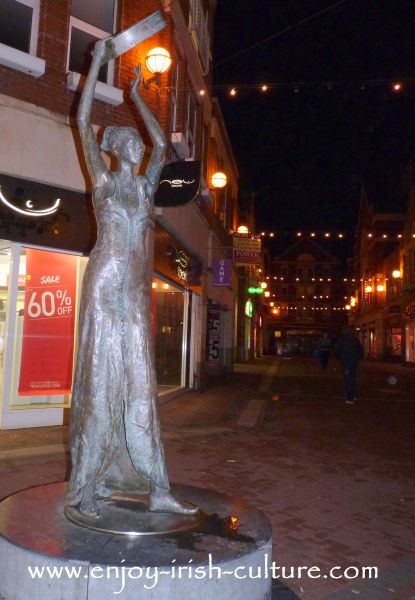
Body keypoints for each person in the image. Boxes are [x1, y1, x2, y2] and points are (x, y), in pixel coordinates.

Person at [67, 39, 196, 518]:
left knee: (140, 381)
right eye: (128, 140)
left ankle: (155, 484)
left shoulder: (145, 184)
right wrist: (96, 63)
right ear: (114, 147)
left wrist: (138, 96)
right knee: (100, 378)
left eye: (135, 141)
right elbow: (80, 122)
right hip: (104, 279)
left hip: (135, 288)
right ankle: (89, 487)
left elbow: (162, 144)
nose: (138, 145)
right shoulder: (103, 180)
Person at [334, 327, 364, 404]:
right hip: (354, 362)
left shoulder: (342, 340)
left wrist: (341, 357)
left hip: (346, 362)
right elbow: (361, 351)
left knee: (348, 380)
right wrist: (357, 359)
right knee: (353, 379)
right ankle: (354, 395)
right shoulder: (355, 340)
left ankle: (350, 398)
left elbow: (336, 350)